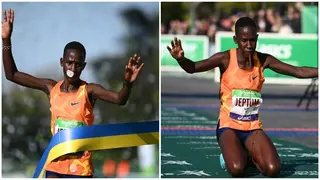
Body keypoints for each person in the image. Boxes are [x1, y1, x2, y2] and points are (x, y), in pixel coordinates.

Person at [167, 16, 318, 177]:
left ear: (257, 38)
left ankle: (248, 153)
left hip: (252, 127)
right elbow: (193, 67)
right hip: (228, 126)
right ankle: (234, 154)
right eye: (244, 40)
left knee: (273, 169)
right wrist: (181, 59)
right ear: (235, 40)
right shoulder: (225, 58)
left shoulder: (263, 60)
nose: (249, 45)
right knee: (237, 168)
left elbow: (297, 71)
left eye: (252, 40)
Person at [2, 8, 144, 178]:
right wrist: (6, 40)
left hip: (80, 169)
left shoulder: (89, 91)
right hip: (55, 165)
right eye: (69, 63)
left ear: (83, 66)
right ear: (62, 62)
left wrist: (127, 83)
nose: (73, 68)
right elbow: (12, 75)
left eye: (78, 64)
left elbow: (120, 99)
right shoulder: (50, 88)